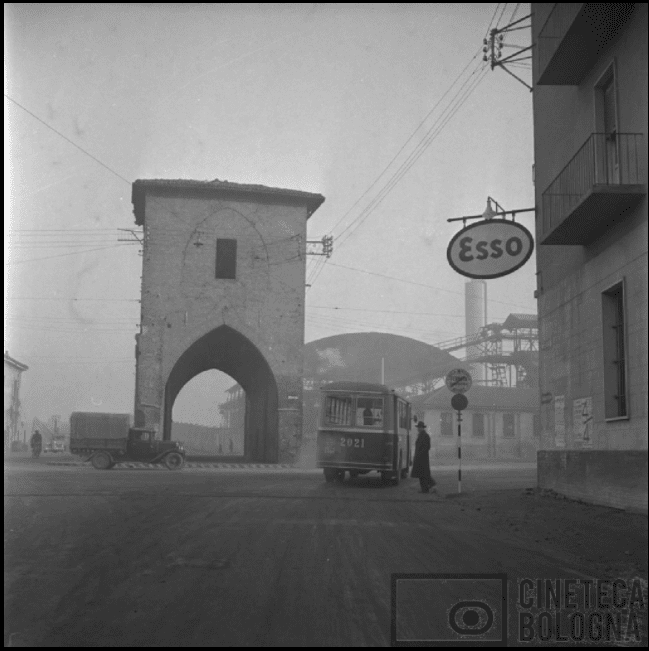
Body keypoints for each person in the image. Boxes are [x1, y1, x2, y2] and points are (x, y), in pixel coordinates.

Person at [411, 421, 436, 493]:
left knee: (424, 474)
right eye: (418, 427)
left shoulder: (425, 436)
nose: (418, 428)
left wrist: (420, 454)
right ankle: (425, 488)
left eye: (420, 427)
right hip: (419, 458)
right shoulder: (420, 435)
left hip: (423, 458)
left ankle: (427, 487)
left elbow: (427, 447)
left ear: (422, 428)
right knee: (421, 474)